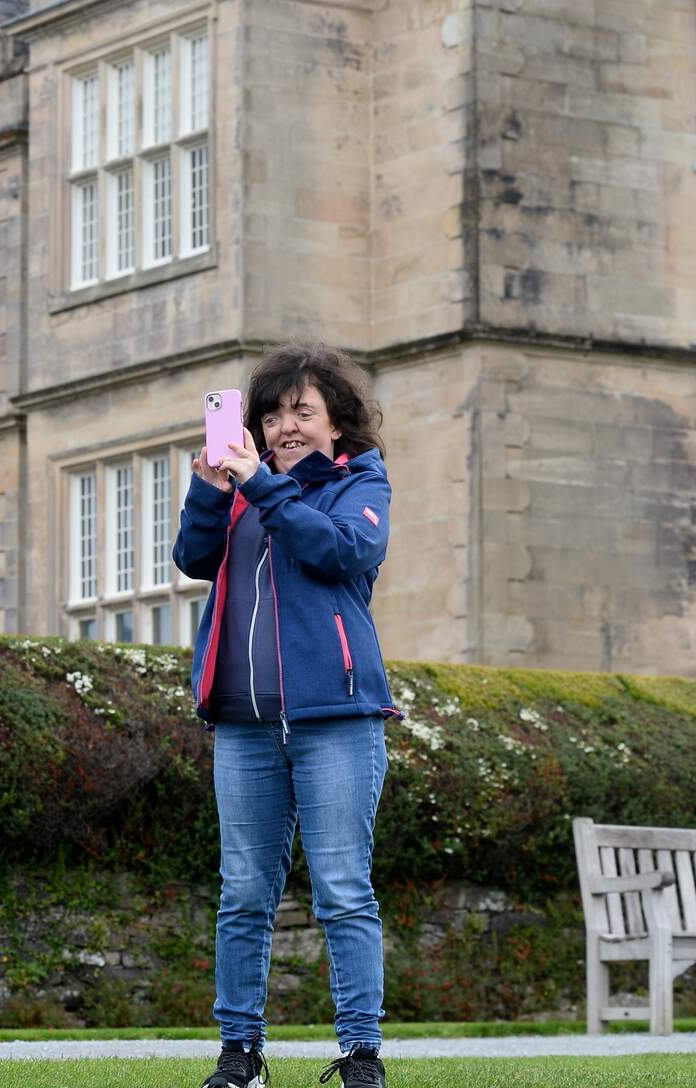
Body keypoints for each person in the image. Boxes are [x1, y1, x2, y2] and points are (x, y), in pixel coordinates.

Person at [173, 343, 397, 1088]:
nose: (285, 425)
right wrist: (210, 489)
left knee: (341, 888)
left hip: (336, 719)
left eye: (302, 411)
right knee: (243, 893)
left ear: (337, 422)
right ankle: (240, 1054)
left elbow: (339, 549)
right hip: (243, 724)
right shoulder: (243, 487)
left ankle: (360, 1054)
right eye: (271, 414)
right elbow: (192, 558)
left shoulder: (358, 481)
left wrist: (260, 484)